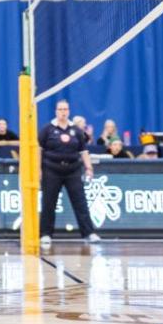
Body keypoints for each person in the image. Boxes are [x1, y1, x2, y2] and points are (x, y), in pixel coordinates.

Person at [38, 99, 100, 247]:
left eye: (65, 109)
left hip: (72, 170)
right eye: (60, 109)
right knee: (48, 203)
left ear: (69, 111)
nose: (63, 112)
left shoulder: (77, 131)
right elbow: (38, 151)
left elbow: (84, 151)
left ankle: (89, 233)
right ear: (56, 111)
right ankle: (45, 234)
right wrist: (38, 169)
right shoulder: (47, 129)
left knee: (80, 202)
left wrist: (89, 168)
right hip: (51, 170)